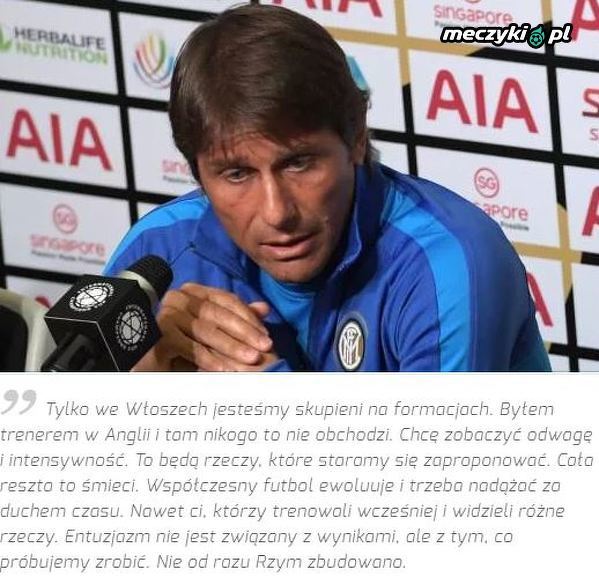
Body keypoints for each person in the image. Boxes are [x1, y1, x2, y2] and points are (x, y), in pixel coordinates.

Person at [105, 3, 550, 372]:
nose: (276, 212)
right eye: (237, 174)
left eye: (298, 163)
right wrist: (153, 368)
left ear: (355, 138)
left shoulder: (448, 266)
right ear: (197, 173)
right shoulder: (156, 253)